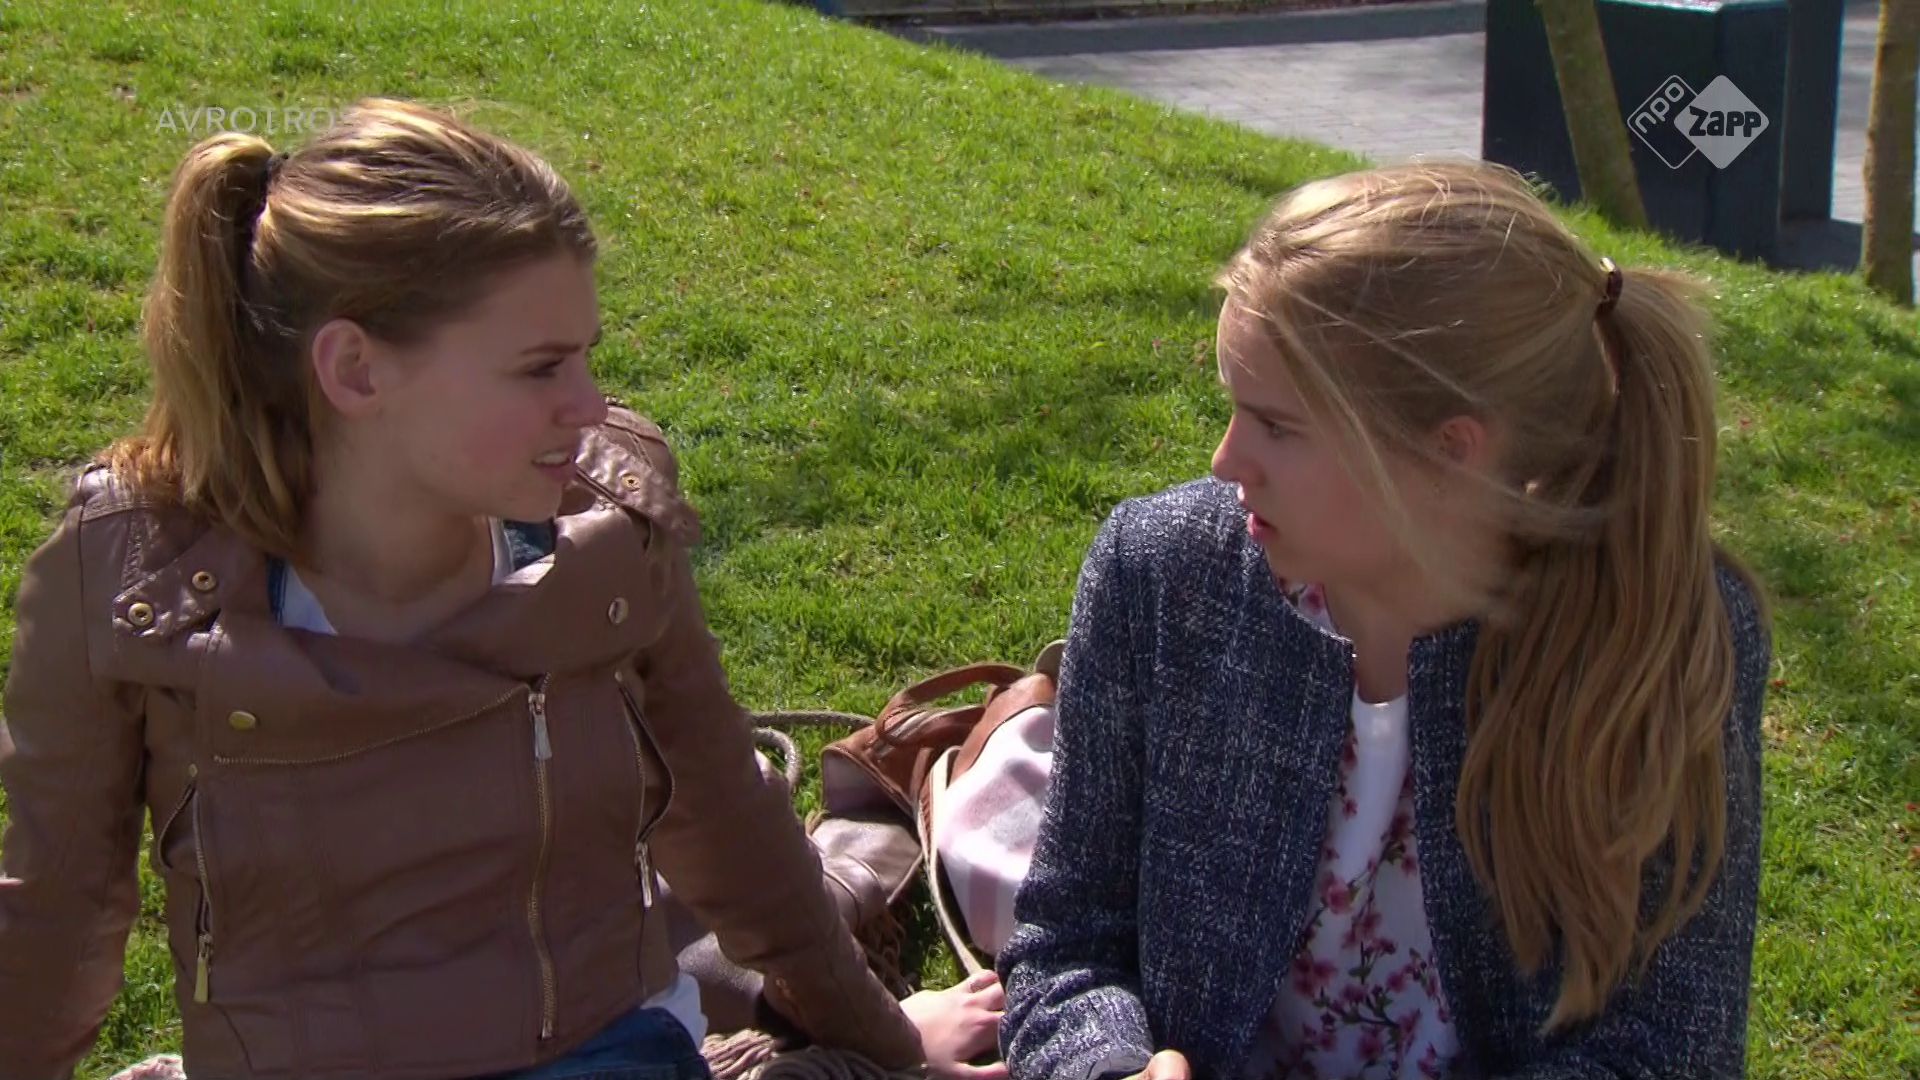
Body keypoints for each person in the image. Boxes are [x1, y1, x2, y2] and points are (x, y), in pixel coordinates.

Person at [0, 98, 1001, 1080]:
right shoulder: (134, 581)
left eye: (586, 359)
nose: (589, 406)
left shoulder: (606, 529)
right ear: (355, 371)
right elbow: (54, 922)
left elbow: (729, 823)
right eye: (540, 368)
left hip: (604, 1053)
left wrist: (883, 1043)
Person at [998, 161, 1771, 1080]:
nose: (1224, 461)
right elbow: (1068, 940)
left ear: (1448, 453)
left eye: (1277, 426)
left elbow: (1668, 1049)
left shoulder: (1657, 633)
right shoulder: (1163, 575)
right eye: (1232, 407)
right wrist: (1102, 1064)